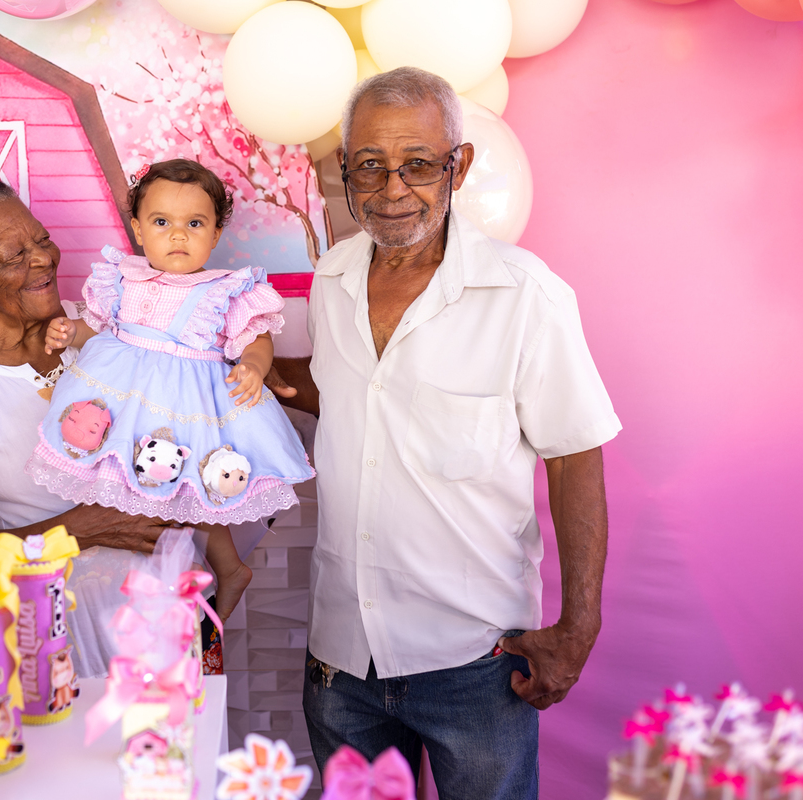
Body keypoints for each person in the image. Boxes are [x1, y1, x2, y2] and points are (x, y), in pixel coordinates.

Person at [268, 68, 621, 799]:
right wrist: (218, 365)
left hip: (478, 662)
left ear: (457, 165)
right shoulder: (332, 280)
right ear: (346, 170)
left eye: (419, 164)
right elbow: (350, 396)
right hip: (341, 658)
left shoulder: (524, 295)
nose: (393, 188)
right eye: (370, 165)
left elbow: (574, 456)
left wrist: (579, 625)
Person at [0, 173, 179, 675]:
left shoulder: (111, 328)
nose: (42, 259)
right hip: (55, 640)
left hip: (171, 612)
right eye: (12, 256)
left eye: (42, 240)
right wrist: (79, 530)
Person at [30, 159, 314, 621]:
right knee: (125, 475)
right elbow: (100, 329)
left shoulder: (226, 289)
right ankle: (123, 574)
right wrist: (70, 332)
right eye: (162, 222)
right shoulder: (121, 278)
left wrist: (254, 365)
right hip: (127, 396)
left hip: (190, 404)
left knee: (196, 486)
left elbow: (256, 338)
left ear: (215, 234)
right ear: (139, 229)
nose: (178, 235)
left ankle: (227, 567)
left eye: (194, 224)